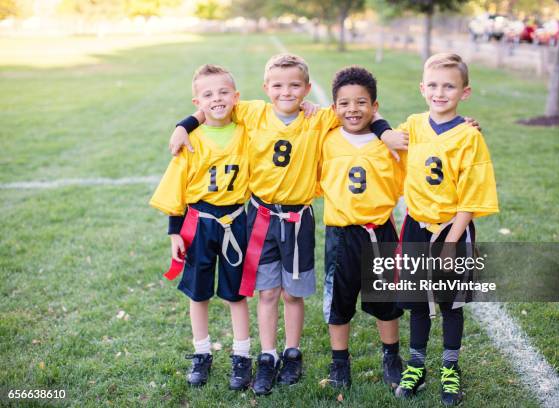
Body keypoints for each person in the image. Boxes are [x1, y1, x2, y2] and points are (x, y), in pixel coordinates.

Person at [168, 54, 407, 395]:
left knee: (293, 293)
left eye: (295, 85)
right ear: (265, 88)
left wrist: (383, 132)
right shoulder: (252, 111)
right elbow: (211, 107)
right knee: (267, 293)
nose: (286, 91)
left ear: (308, 89)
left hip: (299, 218)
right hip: (262, 217)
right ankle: (267, 356)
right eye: (277, 85)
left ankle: (292, 353)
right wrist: (183, 124)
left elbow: (360, 109)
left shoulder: (320, 118)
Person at [394, 53, 499, 406]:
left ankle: (450, 367)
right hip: (415, 226)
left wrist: (452, 241)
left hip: (453, 230)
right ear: (423, 88)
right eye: (434, 85)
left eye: (449, 86)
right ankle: (417, 365)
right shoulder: (412, 125)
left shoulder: (469, 138)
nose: (441, 92)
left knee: (451, 304)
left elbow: (472, 194)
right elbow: (381, 139)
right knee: (418, 302)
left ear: (464, 92)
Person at [149, 64, 252, 390]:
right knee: (198, 292)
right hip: (199, 222)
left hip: (236, 221)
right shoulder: (191, 140)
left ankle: (242, 355)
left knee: (236, 293)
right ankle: (202, 352)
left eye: (223, 92)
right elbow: (177, 188)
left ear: (236, 97)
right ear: (197, 102)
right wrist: (174, 231)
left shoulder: (248, 131)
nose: (217, 99)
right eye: (208, 94)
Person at [319, 66, 405, 388]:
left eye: (361, 102)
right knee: (339, 301)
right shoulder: (326, 140)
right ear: (334, 108)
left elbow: (431, 143)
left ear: (375, 106)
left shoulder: (391, 142)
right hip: (341, 235)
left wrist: (466, 126)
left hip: (380, 230)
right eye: (344, 103)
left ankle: (391, 356)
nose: (352, 109)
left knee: (388, 302)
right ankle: (340, 362)